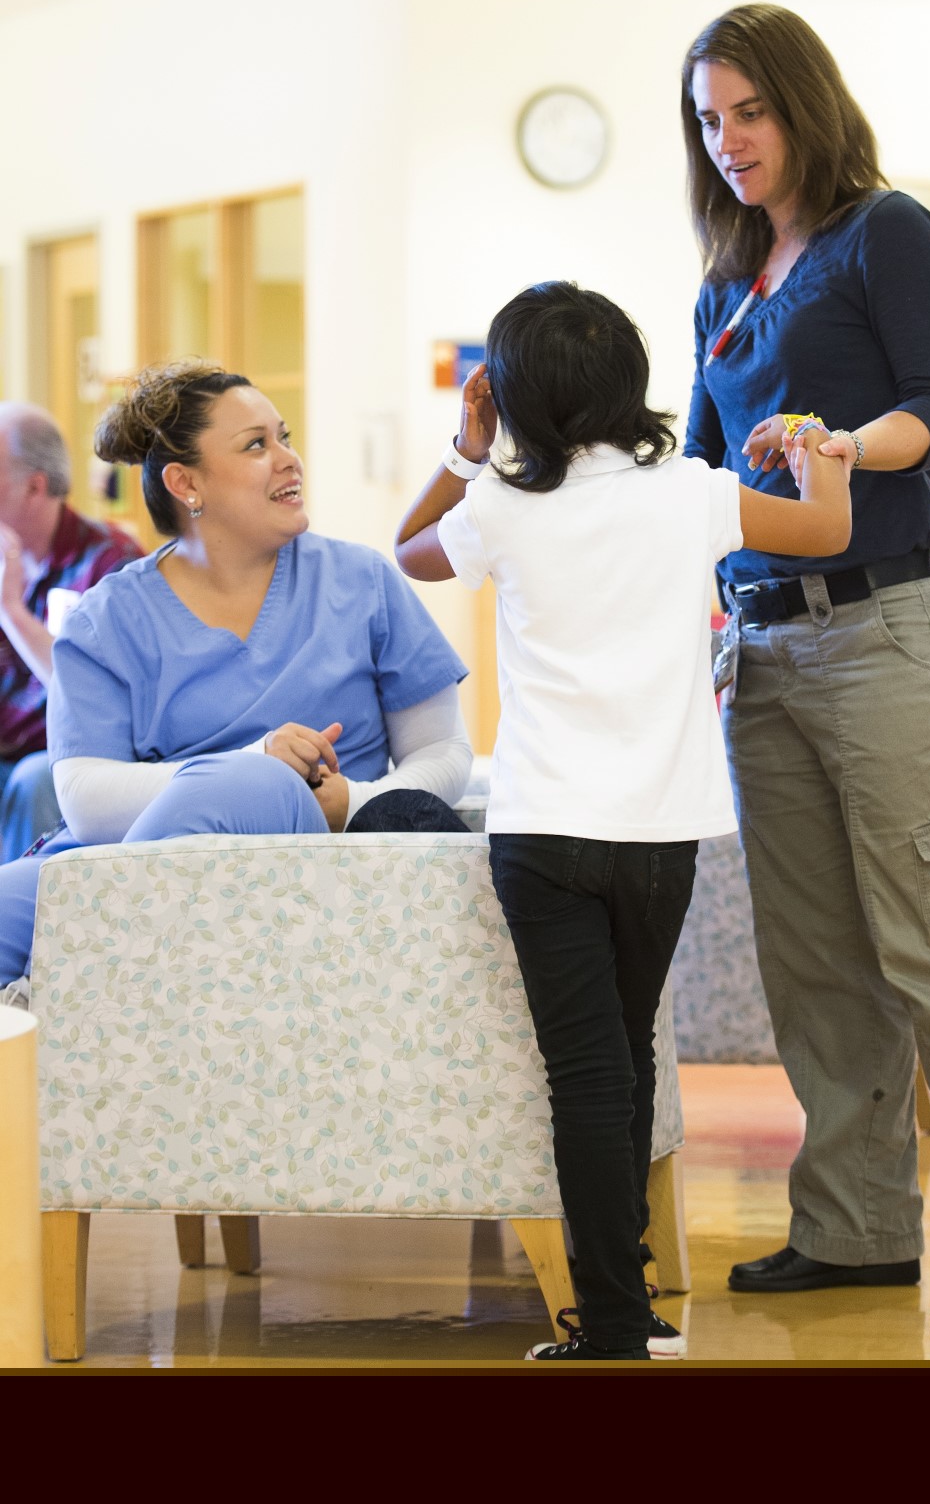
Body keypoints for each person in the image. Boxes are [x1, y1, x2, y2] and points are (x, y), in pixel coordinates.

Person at [680, 2, 930, 1334]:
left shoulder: (882, 233)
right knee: (813, 960)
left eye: (749, 111)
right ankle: (852, 1230)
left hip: (886, 633)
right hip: (763, 647)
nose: (729, 141)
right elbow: (696, 473)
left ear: (802, 104)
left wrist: (844, 444)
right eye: (708, 119)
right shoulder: (725, 280)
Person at [396, 281, 850, 1361]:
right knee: (630, 1061)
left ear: (513, 396)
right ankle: (626, 1304)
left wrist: (465, 448)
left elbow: (408, 553)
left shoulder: (503, 501)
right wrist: (819, 450)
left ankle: (608, 1320)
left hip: (546, 830)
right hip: (663, 831)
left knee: (588, 1073)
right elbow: (826, 528)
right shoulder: (689, 492)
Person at [0, 361, 472, 1004]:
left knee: (257, 783)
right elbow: (84, 796)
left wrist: (356, 802)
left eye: (284, 436)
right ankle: (78, 978)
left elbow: (444, 752)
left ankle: (85, 978)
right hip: (132, 863)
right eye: (257, 445)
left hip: (307, 859)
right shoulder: (107, 617)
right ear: (185, 482)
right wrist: (254, 756)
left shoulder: (362, 582)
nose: (289, 459)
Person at [0, 403, 141, 864]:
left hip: (74, 757)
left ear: (34, 487)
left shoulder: (109, 566)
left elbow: (86, 697)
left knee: (37, 778)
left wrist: (13, 614)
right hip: (10, 748)